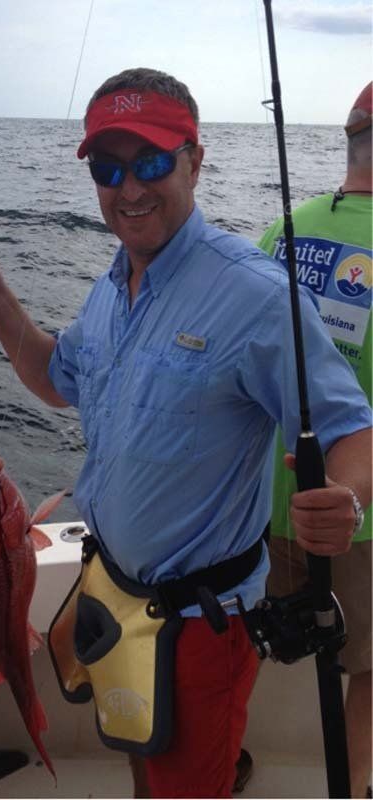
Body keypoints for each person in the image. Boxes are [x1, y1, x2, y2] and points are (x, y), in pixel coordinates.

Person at [0, 68, 372, 799]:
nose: (129, 188)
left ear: (195, 160)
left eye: (150, 162)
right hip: (110, 594)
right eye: (109, 169)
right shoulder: (113, 284)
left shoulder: (256, 296)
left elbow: (352, 427)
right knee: (143, 763)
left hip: (200, 628)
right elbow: (57, 377)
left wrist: (347, 494)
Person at [257, 81, 372, 800]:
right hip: (358, 521)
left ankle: (220, 764)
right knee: (372, 667)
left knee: (237, 655)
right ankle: (354, 788)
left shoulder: (278, 234)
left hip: (265, 511)